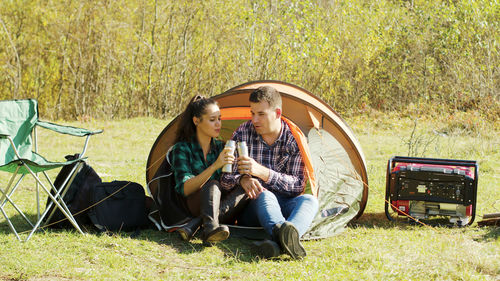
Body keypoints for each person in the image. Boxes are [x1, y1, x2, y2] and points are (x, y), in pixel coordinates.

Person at [221, 86, 319, 259]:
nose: (255, 119)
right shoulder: (243, 133)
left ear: (278, 113)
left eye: (261, 114)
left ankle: (277, 244)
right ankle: (286, 239)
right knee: (266, 196)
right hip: (253, 208)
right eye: (252, 113)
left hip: (284, 203)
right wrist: (242, 179)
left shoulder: (293, 138)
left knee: (309, 200)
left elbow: (297, 186)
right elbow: (225, 178)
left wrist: (263, 172)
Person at [170, 95, 248, 243]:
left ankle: (198, 226)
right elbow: (185, 189)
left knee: (247, 188)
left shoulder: (222, 147)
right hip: (194, 203)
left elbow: (230, 182)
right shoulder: (182, 149)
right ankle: (209, 227)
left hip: (222, 204)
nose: (218, 124)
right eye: (212, 120)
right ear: (196, 121)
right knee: (212, 184)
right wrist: (214, 166)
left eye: (219, 119)